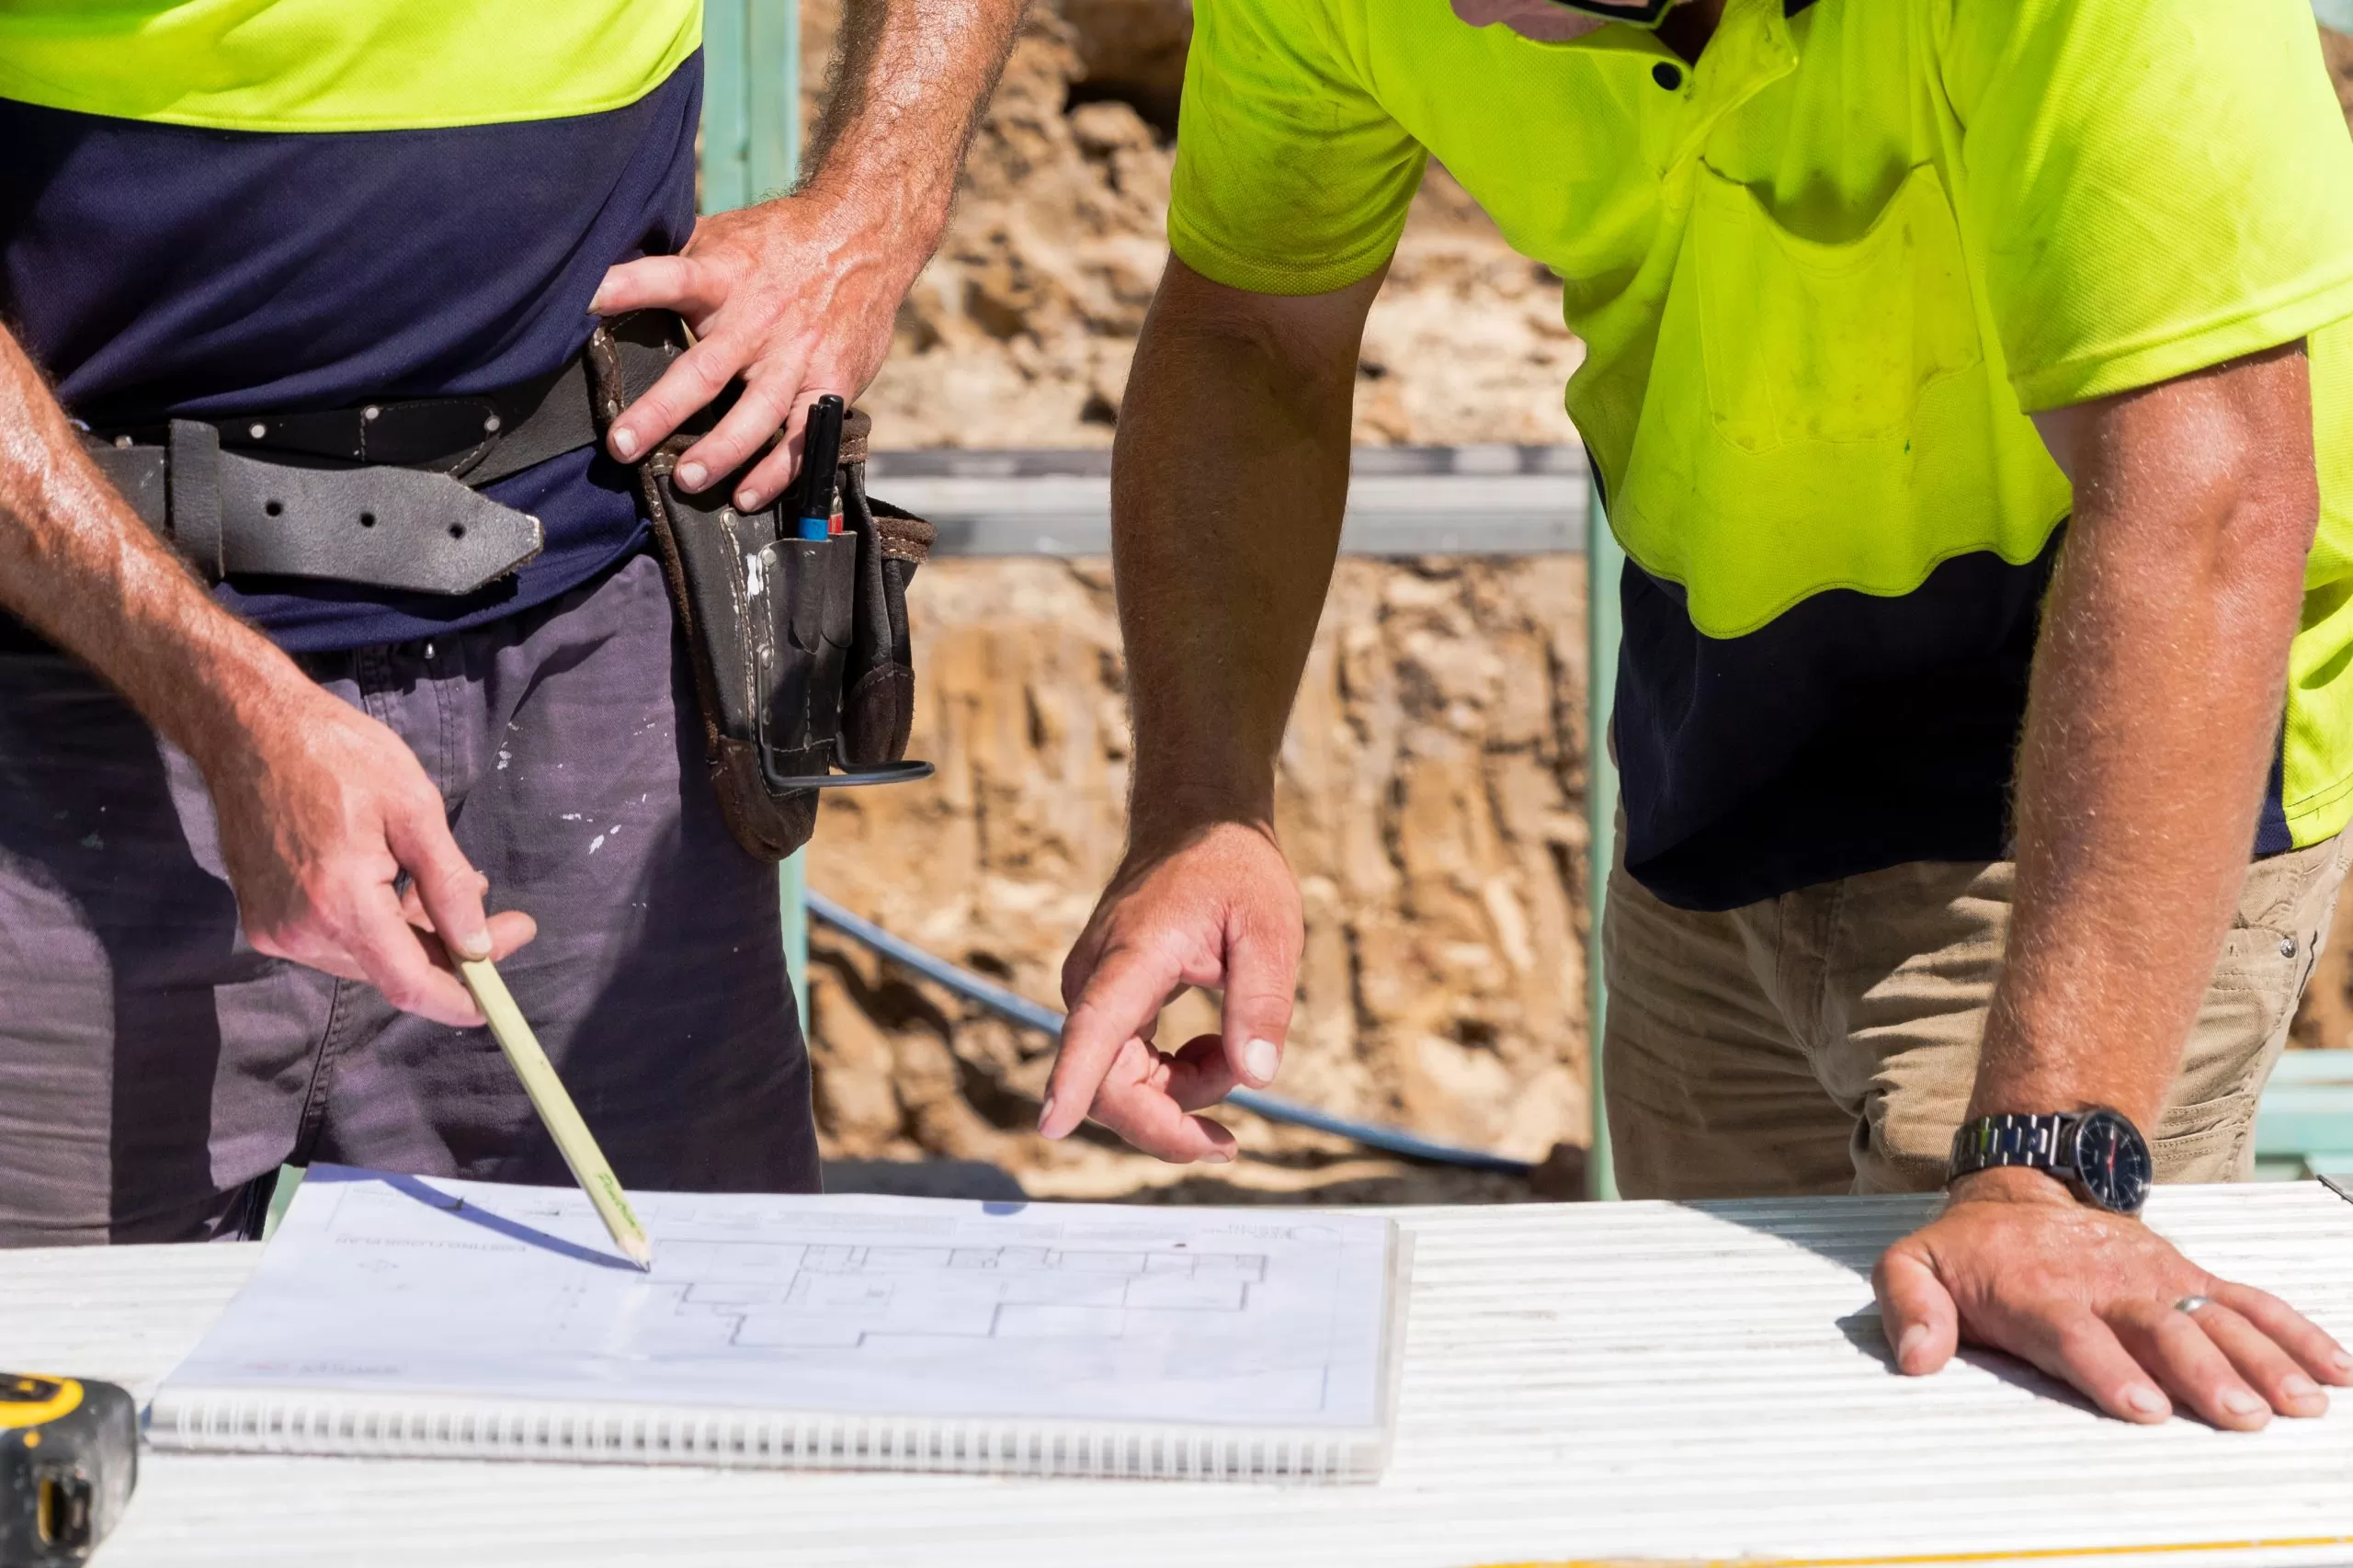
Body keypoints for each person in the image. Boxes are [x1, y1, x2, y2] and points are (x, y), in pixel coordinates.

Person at [1045, 0, 2353, 1429]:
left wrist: (2047, 1158)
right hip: (1717, 751)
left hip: (2080, 752)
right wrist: (1202, 806)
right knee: (1729, 1418)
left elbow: (2203, 497)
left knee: (1993, 1426)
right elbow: (1250, 334)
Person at [0, 0, 1022, 1245]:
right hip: (64, 687)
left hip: (596, 664)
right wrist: (230, 705)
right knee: (51, 1420)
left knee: (671, 1401)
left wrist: (879, 207)